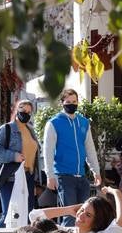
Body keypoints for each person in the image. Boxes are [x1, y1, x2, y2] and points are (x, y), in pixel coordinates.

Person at [43, 88, 101, 225]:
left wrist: (96, 172)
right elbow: (48, 151)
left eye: (74, 101)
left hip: (81, 177)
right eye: (68, 102)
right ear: (62, 103)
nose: (72, 104)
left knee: (85, 216)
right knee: (69, 217)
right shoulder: (53, 123)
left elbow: (90, 149)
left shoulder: (84, 122)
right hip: (63, 177)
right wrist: (49, 175)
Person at [0, 98, 40, 227]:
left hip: (27, 177)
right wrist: (13, 156)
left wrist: (35, 178)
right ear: (16, 110)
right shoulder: (7, 129)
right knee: (10, 215)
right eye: (23, 110)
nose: (26, 114)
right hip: (10, 177)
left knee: (26, 215)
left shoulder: (30, 130)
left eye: (29, 112)